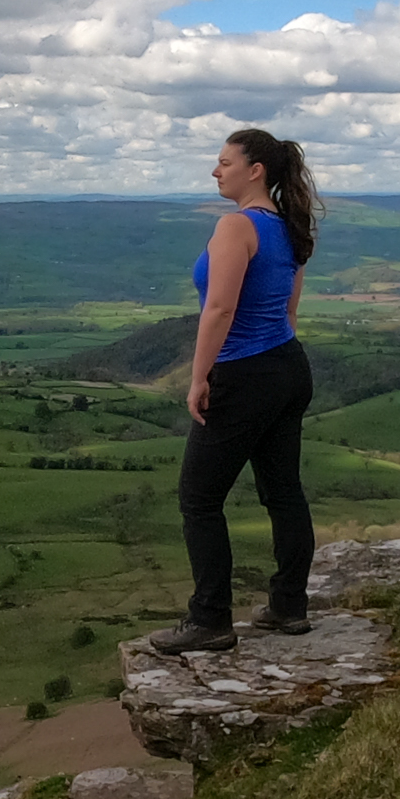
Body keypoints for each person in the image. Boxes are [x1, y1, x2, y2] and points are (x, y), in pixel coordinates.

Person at [147, 129, 322, 656]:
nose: (215, 171)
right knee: (283, 491)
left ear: (256, 170)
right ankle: (289, 607)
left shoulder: (236, 226)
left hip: (244, 373)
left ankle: (210, 620)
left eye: (224, 162)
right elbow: (288, 313)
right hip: (288, 366)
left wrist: (199, 378)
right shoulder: (288, 227)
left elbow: (219, 309)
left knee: (198, 499)